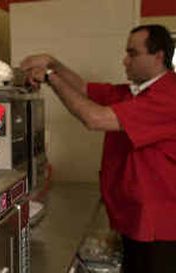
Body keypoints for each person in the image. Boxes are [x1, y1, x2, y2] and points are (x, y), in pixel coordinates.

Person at [20, 24, 176, 273]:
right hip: (135, 218)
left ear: (158, 56)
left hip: (159, 228)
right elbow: (83, 88)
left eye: (132, 53)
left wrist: (49, 77)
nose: (125, 61)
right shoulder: (133, 93)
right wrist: (53, 63)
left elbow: (95, 119)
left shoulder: (168, 97)